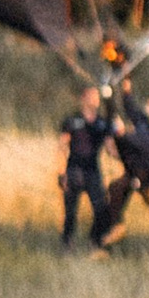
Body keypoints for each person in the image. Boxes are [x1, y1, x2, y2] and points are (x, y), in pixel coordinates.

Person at [96, 88, 149, 247]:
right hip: (133, 170)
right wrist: (127, 90)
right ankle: (112, 229)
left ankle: (114, 228)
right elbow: (131, 109)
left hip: (147, 175)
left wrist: (123, 134)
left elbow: (144, 144)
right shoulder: (145, 121)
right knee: (115, 190)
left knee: (118, 187)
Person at [57, 88, 110, 252]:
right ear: (83, 99)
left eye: (97, 97)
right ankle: (67, 242)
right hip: (74, 169)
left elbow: (111, 148)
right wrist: (61, 173)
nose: (95, 100)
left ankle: (95, 241)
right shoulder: (72, 120)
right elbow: (61, 147)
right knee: (71, 210)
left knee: (100, 208)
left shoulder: (102, 123)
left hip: (93, 171)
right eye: (91, 97)